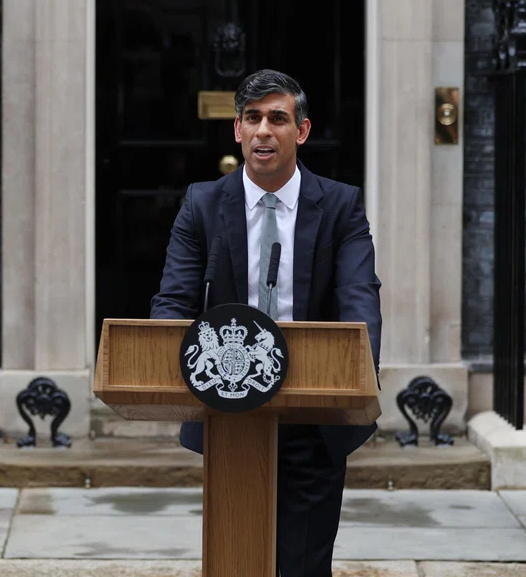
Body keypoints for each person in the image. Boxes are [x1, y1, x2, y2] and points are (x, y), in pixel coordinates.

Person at [150, 68, 383, 576]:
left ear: (300, 131)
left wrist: (358, 378)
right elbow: (173, 301)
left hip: (314, 410)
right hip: (228, 411)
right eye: (252, 118)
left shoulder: (341, 206)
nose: (263, 131)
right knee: (236, 558)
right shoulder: (203, 205)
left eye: (277, 118)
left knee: (302, 564)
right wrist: (164, 364)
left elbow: (359, 299)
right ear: (236, 130)